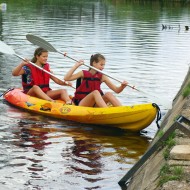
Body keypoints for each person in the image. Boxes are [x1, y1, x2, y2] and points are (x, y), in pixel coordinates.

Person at [64, 53, 128, 107]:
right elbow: (66, 78)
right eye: (101, 64)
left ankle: (124, 111)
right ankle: (106, 111)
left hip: (96, 104)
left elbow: (117, 90)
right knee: (96, 92)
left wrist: (122, 86)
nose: (103, 67)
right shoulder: (83, 73)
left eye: (104, 65)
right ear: (94, 63)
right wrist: (76, 66)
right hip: (82, 103)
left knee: (108, 94)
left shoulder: (102, 76)